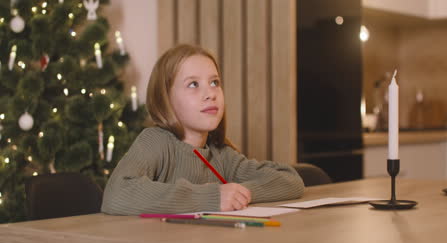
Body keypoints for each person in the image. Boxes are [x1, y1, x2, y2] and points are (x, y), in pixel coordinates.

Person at [101, 44, 304, 215]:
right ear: (166, 99)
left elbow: (290, 180)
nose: (210, 94)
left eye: (214, 82)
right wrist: (213, 197)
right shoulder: (156, 142)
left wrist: (235, 194)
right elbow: (117, 193)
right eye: (193, 84)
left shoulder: (220, 154)